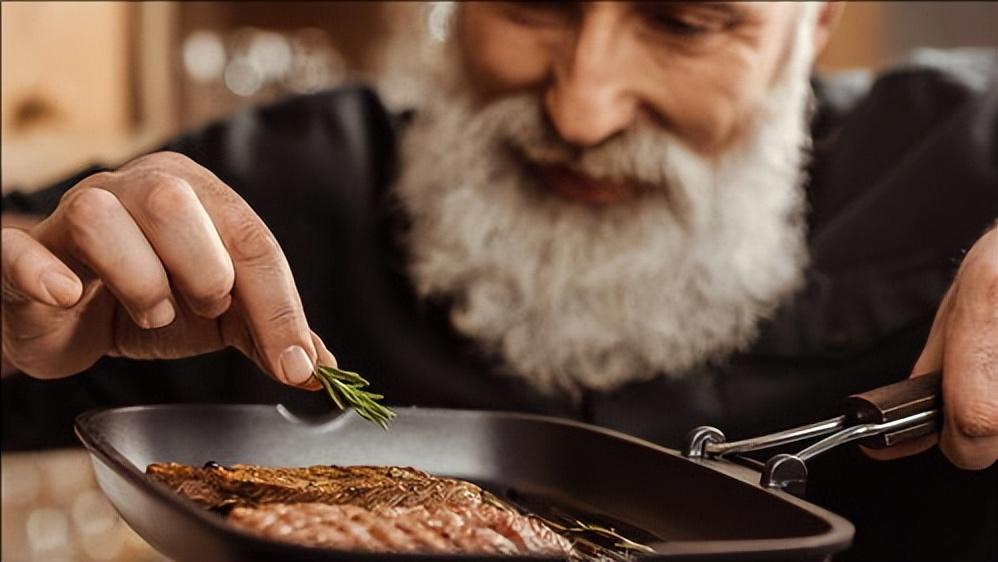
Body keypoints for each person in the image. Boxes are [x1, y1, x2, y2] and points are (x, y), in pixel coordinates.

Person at [2, 3, 996, 561]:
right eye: (529, 2)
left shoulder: (959, 157)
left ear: (814, 23)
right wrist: (21, 305)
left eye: (685, 21)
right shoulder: (288, 184)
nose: (580, 107)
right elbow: (29, 260)